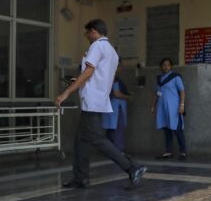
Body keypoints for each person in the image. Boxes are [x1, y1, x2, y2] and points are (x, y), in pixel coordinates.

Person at [55, 19, 146, 190]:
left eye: (87, 32)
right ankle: (81, 178)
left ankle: (132, 167)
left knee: (95, 138)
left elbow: (89, 71)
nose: (86, 36)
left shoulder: (97, 46)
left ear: (94, 31)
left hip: (92, 100)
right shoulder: (111, 51)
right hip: (98, 99)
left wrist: (67, 92)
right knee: (81, 140)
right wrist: (78, 81)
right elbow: (98, 75)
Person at [152, 58, 187, 159]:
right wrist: (152, 106)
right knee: (166, 129)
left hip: (174, 107)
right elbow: (156, 93)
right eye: (164, 65)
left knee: (177, 129)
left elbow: (182, 91)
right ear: (161, 67)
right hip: (162, 108)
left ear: (171, 66)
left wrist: (182, 105)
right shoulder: (159, 79)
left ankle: (183, 152)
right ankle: (168, 151)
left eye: (168, 65)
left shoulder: (176, 77)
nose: (166, 67)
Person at [101, 59, 131, 152]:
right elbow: (117, 94)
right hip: (116, 107)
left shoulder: (106, 77)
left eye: (118, 65)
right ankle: (117, 151)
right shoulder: (114, 78)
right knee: (118, 129)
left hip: (108, 106)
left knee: (111, 129)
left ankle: (109, 150)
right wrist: (128, 97)